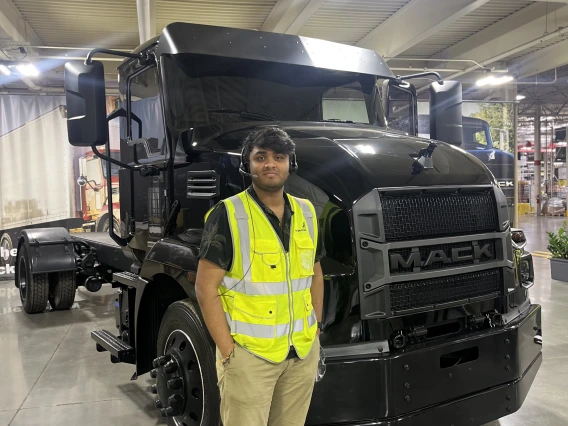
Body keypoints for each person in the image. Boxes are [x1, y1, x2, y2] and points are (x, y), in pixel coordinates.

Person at [195, 126, 324, 426]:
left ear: (290, 164)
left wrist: (316, 329)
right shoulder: (227, 214)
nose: (270, 164)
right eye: (260, 157)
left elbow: (316, 273)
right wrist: (228, 352)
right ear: (247, 164)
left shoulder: (307, 212)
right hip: (249, 357)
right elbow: (205, 288)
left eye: (279, 157)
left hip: (302, 352)